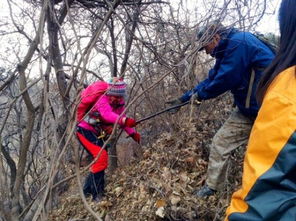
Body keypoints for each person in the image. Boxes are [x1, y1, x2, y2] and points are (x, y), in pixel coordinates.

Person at [168, 22, 275, 197]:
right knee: (220, 142)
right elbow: (212, 78)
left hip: (271, 111)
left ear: (215, 37)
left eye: (206, 47)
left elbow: (225, 79)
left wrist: (201, 96)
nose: (207, 52)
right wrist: (184, 98)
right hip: (248, 111)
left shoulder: (240, 43)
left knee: (270, 153)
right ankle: (213, 189)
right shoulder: (225, 51)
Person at [226, 0, 296, 219]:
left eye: (205, 46)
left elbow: (263, 203)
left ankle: (211, 187)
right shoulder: (229, 47)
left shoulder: (287, 94)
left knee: (220, 143)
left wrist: (198, 94)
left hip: (254, 110)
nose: (206, 52)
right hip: (255, 108)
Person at [76, 77, 141, 201]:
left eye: (119, 97)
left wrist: (132, 133)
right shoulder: (102, 98)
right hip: (84, 130)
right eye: (115, 96)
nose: (116, 99)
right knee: (101, 158)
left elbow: (122, 118)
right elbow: (108, 115)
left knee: (100, 159)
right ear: (109, 93)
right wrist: (124, 120)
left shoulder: (119, 102)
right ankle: (97, 195)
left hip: (97, 132)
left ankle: (87, 190)